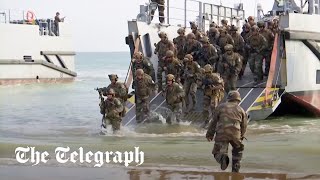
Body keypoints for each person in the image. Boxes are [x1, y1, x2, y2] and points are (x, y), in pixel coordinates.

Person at [206, 90, 248, 173]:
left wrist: (210, 134)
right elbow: (244, 126)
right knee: (237, 151)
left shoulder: (220, 107)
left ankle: (222, 158)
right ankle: (235, 169)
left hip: (222, 134)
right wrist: (241, 135)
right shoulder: (241, 110)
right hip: (236, 135)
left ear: (228, 99)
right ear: (238, 100)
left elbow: (213, 122)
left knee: (217, 152)